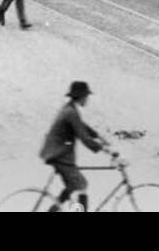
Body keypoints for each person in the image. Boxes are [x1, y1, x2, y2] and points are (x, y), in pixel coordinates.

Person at [39, 82, 115, 212]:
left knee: (73, 186)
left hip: (58, 154)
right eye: (86, 96)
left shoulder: (70, 109)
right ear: (81, 97)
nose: (87, 99)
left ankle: (52, 210)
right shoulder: (71, 112)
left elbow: (81, 125)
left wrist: (98, 136)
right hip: (59, 155)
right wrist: (105, 150)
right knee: (81, 185)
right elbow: (84, 137)